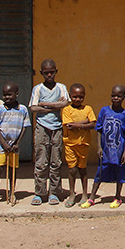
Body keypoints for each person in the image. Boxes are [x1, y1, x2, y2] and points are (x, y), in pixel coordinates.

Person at [82, 84, 125, 209]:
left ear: (124, 97)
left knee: (119, 173)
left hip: (119, 150)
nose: (115, 98)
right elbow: (99, 129)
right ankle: (92, 198)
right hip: (105, 150)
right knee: (100, 172)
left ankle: (118, 197)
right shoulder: (104, 111)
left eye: (118, 96)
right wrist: (99, 146)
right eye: (113, 95)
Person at [29, 58, 70, 205]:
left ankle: (54, 192)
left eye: (52, 72)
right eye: (46, 73)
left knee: (56, 161)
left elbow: (65, 103)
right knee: (41, 161)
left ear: (56, 72)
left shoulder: (61, 87)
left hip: (57, 127)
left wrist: (46, 104)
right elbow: (33, 108)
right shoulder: (38, 89)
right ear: (41, 73)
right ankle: (40, 192)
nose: (49, 76)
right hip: (41, 127)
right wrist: (55, 106)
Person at [0, 82, 30, 206]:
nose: (7, 98)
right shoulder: (0, 109)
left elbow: (25, 127)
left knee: (13, 169)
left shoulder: (22, 109)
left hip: (14, 146)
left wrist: (17, 143)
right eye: (4, 95)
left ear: (16, 94)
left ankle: (12, 193)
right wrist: (4, 143)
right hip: (1, 146)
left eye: (9, 95)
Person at [60, 83, 96, 207]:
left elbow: (94, 124)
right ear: (70, 96)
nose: (77, 99)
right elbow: (69, 126)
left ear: (84, 96)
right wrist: (84, 122)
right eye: (75, 97)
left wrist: (79, 124)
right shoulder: (67, 110)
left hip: (83, 144)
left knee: (82, 169)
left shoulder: (88, 109)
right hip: (70, 144)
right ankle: (72, 193)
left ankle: (85, 193)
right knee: (72, 169)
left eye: (80, 97)